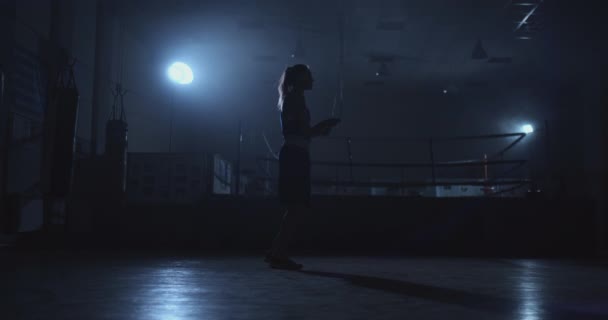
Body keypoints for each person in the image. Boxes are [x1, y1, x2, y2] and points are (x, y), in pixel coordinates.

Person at [266, 64, 340, 270]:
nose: (313, 79)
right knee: (296, 207)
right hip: (295, 155)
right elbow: (299, 132)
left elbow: (299, 132)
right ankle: (278, 253)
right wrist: (321, 127)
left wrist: (318, 129)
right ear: (299, 79)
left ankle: (276, 250)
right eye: (309, 75)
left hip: (296, 153)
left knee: (294, 207)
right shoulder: (295, 99)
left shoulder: (293, 99)